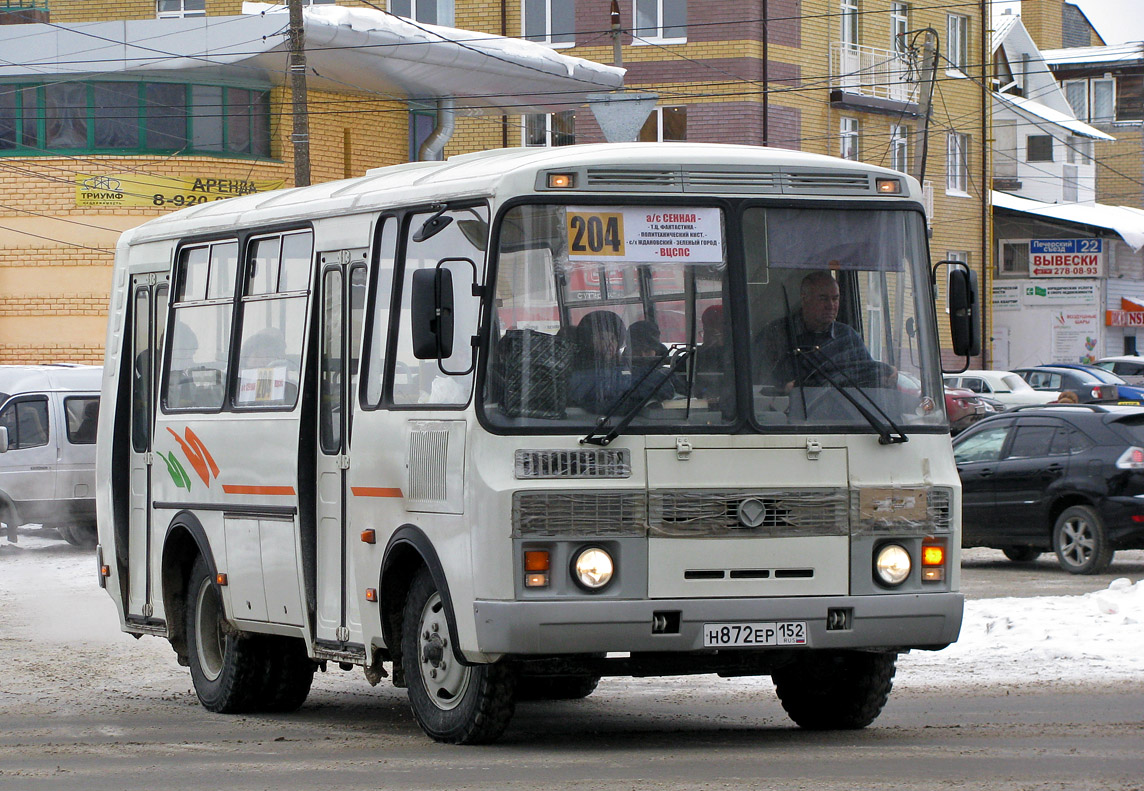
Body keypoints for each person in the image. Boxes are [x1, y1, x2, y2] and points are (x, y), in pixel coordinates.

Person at [758, 270, 894, 391]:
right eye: (823, 299)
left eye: (835, 299)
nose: (831, 306)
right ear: (805, 298)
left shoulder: (847, 336)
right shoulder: (777, 334)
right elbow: (762, 387)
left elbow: (866, 375)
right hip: (791, 415)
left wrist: (885, 374)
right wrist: (785, 390)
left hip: (841, 414)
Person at [569, 311, 672, 413]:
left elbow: (665, 385)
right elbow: (603, 398)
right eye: (602, 338)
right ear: (587, 340)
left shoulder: (624, 366)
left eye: (613, 338)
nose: (610, 344)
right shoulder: (576, 371)